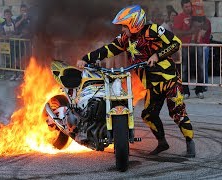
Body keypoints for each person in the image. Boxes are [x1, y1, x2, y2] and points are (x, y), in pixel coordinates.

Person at [76, 5, 195, 158]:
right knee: (148, 115)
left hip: (169, 80)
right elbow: (109, 49)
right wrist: (86, 59)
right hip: (152, 85)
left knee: (178, 112)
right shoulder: (126, 39)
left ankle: (190, 143)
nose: (122, 30)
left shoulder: (153, 30)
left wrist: (156, 56)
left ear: (134, 23)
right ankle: (162, 143)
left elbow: (176, 43)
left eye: (124, 26)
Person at [173, 0, 204, 99]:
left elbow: (205, 26)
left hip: (196, 45)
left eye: (189, 6)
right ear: (182, 7)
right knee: (184, 68)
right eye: (186, 7)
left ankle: (199, 90)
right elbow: (176, 32)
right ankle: (185, 91)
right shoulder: (179, 18)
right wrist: (190, 32)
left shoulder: (197, 15)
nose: (188, 8)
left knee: (200, 67)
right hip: (184, 46)